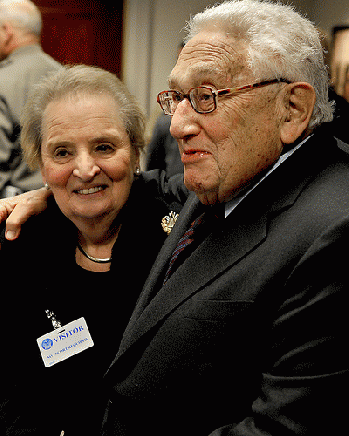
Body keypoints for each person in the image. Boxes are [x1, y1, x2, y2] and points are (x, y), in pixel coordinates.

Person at [2, 0, 349, 434]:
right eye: (179, 98)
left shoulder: (335, 230)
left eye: (207, 97)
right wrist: (51, 197)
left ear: (292, 109)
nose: (180, 123)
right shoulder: (227, 182)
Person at [0, 65, 187, 435]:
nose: (85, 169)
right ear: (40, 163)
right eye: (62, 152)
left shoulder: (181, 231)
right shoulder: (18, 244)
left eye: (104, 147)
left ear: (135, 153)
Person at [0, 0, 61, 198]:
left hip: (14, 210)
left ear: (6, 30)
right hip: (64, 203)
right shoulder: (66, 76)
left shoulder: (3, 80)